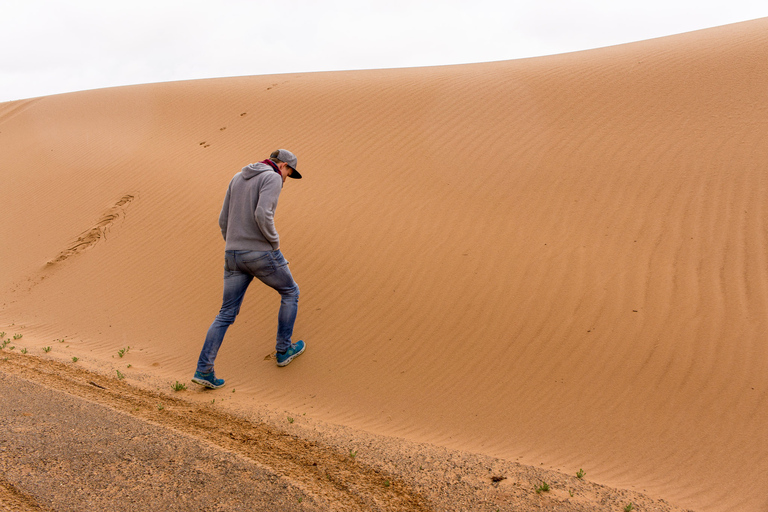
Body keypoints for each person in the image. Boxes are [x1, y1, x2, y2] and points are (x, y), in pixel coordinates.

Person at [192, 149, 305, 389]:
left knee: (225, 314)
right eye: (289, 172)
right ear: (283, 165)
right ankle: (284, 350)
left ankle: (204, 369)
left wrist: (234, 244)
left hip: (232, 254)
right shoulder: (272, 177)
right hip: (261, 252)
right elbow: (263, 214)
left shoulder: (237, 177)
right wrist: (273, 244)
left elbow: (223, 220)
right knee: (290, 292)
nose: (286, 179)